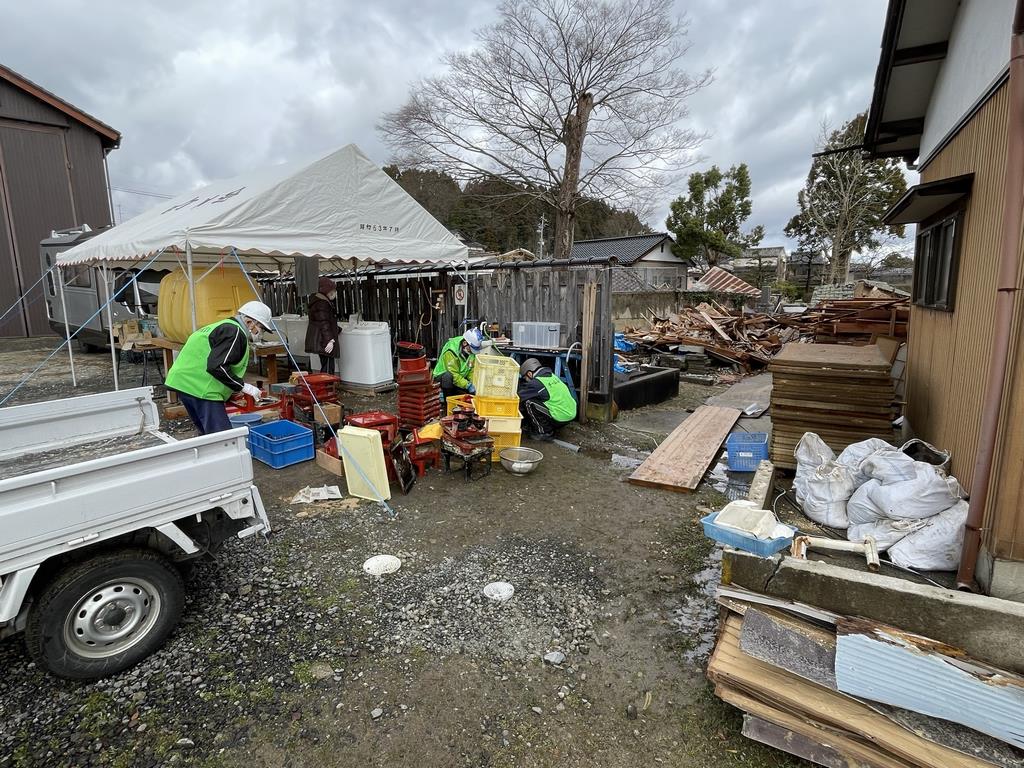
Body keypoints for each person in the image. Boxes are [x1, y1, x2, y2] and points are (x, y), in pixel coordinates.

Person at [165, 300, 274, 435]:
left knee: (207, 435)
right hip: (201, 389)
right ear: (249, 322)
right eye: (261, 328)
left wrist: (232, 389)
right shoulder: (234, 332)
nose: (260, 333)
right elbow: (217, 366)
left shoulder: (220, 326)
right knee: (222, 439)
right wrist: (243, 386)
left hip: (184, 384)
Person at [517, 357, 577, 441]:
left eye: (525, 378)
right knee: (538, 399)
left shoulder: (536, 383)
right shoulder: (552, 376)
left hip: (561, 417)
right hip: (570, 413)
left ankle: (544, 432)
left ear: (529, 374)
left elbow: (518, 397)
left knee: (529, 402)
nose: (526, 381)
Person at [432, 329, 484, 398]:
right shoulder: (451, 351)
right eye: (471, 349)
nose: (472, 352)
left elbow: (471, 370)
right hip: (442, 378)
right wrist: (467, 385)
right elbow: (454, 374)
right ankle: (447, 401)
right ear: (465, 343)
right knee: (448, 376)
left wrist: (474, 383)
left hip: (459, 378)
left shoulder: (470, 349)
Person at [304, 277, 340, 375]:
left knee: (326, 365)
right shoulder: (322, 303)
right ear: (327, 291)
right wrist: (330, 340)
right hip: (323, 340)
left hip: (320, 339)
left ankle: (326, 387)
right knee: (328, 367)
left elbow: (325, 321)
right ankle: (326, 388)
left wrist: (337, 330)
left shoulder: (318, 301)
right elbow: (324, 323)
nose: (334, 293)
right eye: (333, 290)